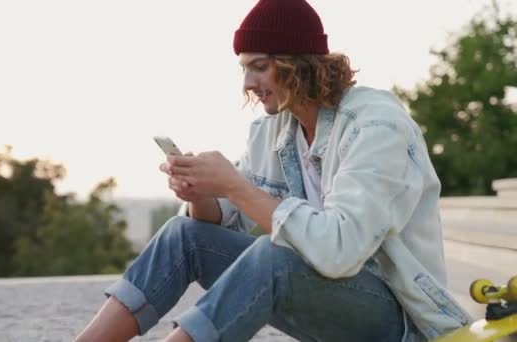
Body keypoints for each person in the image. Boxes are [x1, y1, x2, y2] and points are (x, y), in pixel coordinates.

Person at [73, 0, 472, 341]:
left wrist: (235, 185)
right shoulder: (274, 131)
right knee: (185, 234)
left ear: (298, 64)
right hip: (326, 299)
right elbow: (223, 228)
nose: (248, 82)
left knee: (273, 257)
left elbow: (339, 251)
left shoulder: (376, 126)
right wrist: (202, 196)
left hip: (399, 320)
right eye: (245, 68)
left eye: (259, 67)